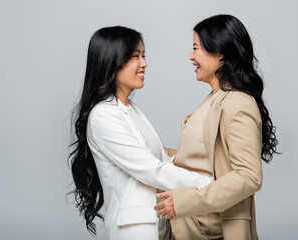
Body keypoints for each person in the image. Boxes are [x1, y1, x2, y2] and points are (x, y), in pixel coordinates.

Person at [69, 26, 213, 240]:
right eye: (135, 56)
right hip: (134, 231)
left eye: (143, 56)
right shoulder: (103, 116)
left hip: (162, 226)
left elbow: (165, 160)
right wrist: (209, 185)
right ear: (112, 61)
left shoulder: (132, 110)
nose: (144, 63)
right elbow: (151, 169)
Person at [155, 14, 278, 240]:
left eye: (196, 48)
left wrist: (184, 202)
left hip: (211, 228)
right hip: (192, 223)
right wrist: (162, 153)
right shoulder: (214, 98)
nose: (191, 57)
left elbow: (248, 176)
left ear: (220, 52)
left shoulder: (237, 102)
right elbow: (204, 159)